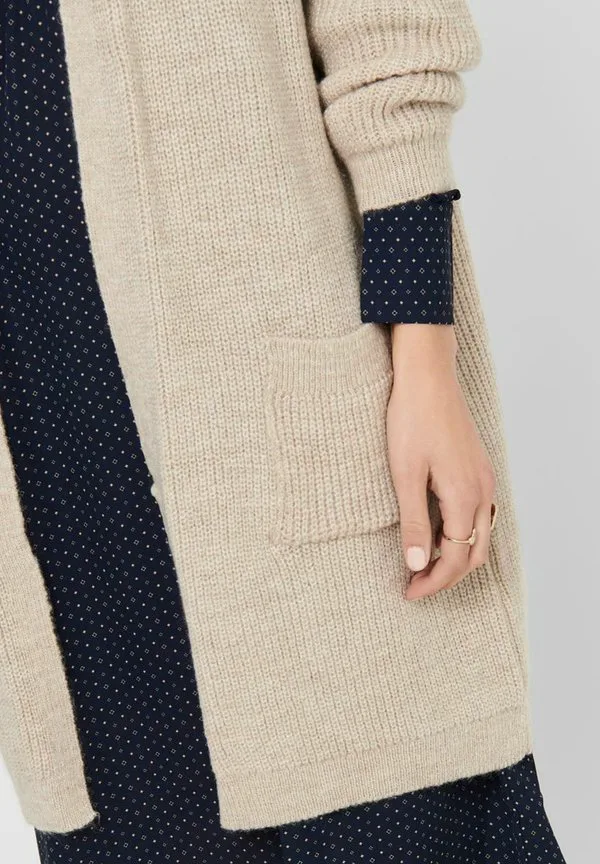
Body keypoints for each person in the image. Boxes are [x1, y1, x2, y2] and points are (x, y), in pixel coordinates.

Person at [0, 1, 566, 862]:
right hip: (49, 479)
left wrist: (425, 362)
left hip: (271, 404)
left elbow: (387, 35)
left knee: (402, 804)